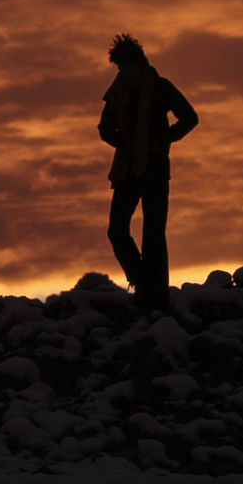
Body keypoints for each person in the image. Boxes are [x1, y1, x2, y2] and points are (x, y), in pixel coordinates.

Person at [99, 33, 198, 310]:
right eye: (122, 69)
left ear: (141, 64)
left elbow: (190, 117)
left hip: (154, 170)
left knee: (154, 235)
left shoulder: (160, 87)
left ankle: (157, 297)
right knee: (116, 230)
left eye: (130, 67)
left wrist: (164, 139)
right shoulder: (116, 92)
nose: (127, 73)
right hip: (126, 171)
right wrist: (123, 141)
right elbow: (104, 129)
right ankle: (143, 283)